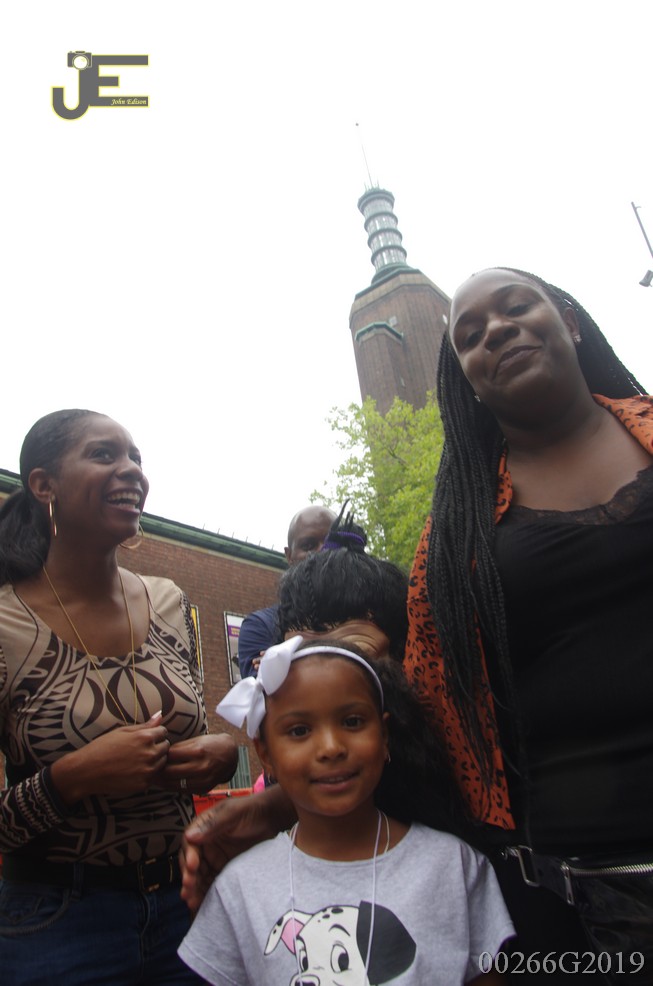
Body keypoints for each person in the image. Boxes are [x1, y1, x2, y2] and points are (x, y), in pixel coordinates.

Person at [404, 268, 653, 979]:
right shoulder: (453, 540)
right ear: (467, 380)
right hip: (584, 896)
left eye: (515, 307)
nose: (496, 330)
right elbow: (425, 715)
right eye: (470, 336)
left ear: (569, 322)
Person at [0, 408, 239, 985]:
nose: (132, 470)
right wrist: (73, 777)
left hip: (187, 904)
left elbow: (193, 732)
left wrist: (222, 753)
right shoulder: (6, 622)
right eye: (104, 455)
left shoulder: (169, 601)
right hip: (58, 923)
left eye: (136, 457)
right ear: (43, 485)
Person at [179, 636, 514, 985]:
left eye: (352, 722)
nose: (331, 747)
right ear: (265, 754)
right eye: (299, 730)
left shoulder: (454, 867)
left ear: (385, 734)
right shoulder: (239, 887)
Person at [237, 505, 335, 678]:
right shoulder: (261, 625)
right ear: (289, 556)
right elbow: (267, 689)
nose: (322, 552)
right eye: (309, 545)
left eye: (331, 543)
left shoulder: (375, 611)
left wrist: (291, 662)